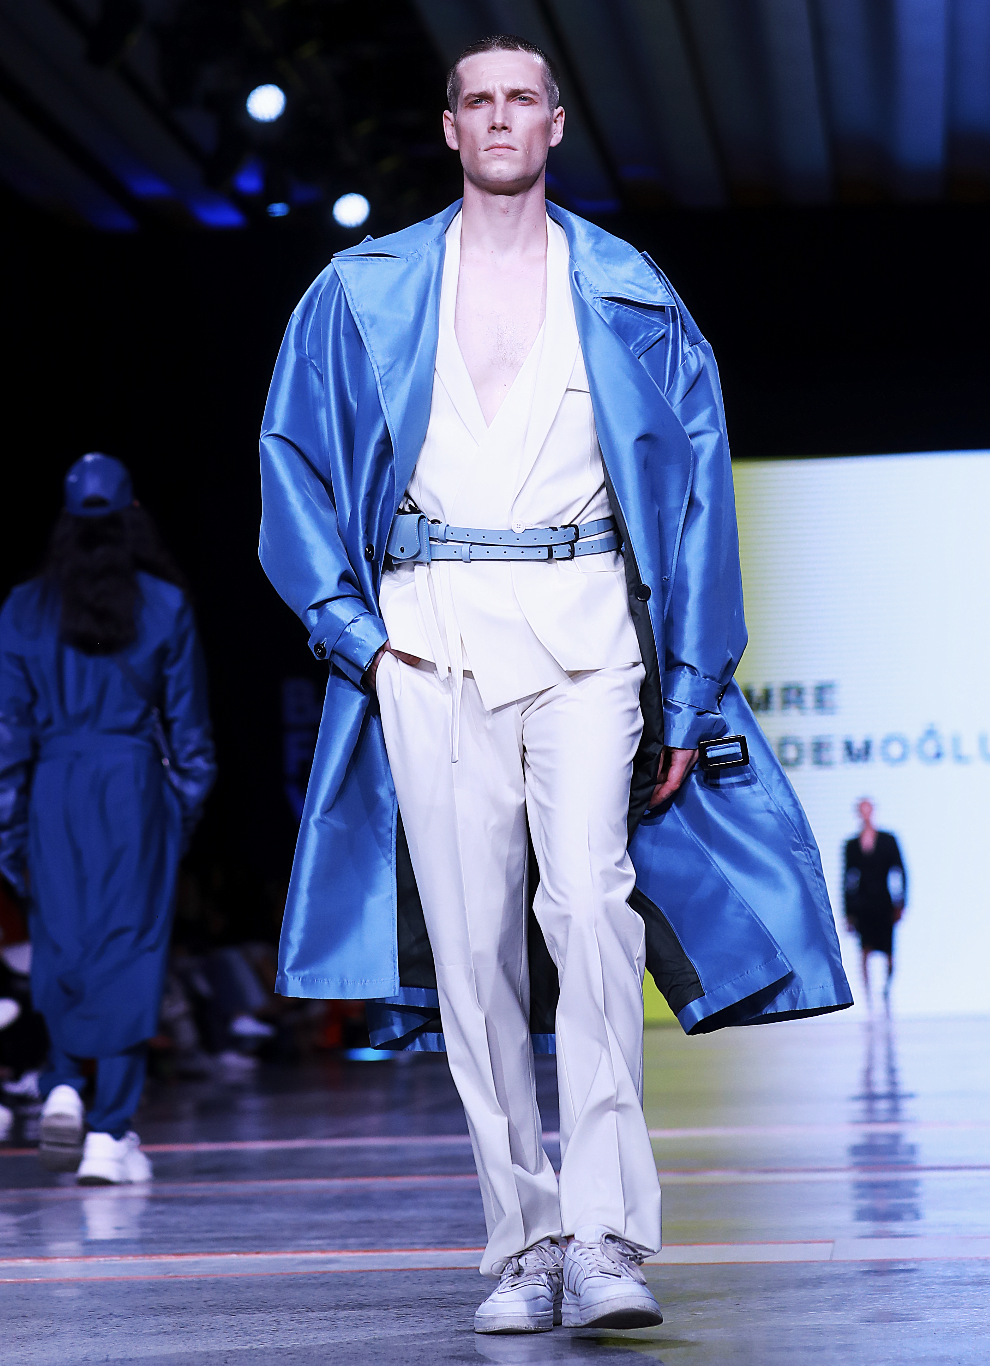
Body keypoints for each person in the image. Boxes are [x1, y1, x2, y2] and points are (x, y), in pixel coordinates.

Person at [259, 34, 850, 1334]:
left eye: (520, 98)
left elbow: (697, 497)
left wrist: (689, 685)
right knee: (471, 949)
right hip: (429, 637)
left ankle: (606, 1237)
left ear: (555, 122)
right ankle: (522, 1240)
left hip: (588, 634)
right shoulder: (363, 290)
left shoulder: (630, 289)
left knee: (590, 912)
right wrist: (359, 640)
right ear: (451, 127)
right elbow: (290, 460)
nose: (499, 118)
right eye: (478, 101)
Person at [0, 453, 215, 1184]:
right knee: (131, 951)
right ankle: (109, 1132)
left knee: (63, 943)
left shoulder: (22, 608)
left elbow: (8, 735)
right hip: (133, 789)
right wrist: (177, 820)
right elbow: (190, 737)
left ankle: (63, 1082)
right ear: (132, 519)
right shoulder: (166, 606)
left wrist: (10, 835)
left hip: (54, 787)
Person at [844, 799, 906, 1011]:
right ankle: (869, 999)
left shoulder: (888, 840)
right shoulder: (852, 845)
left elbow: (901, 871)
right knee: (864, 950)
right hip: (863, 906)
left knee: (889, 951)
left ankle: (886, 990)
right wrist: (848, 912)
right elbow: (848, 880)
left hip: (884, 903)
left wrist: (901, 902)